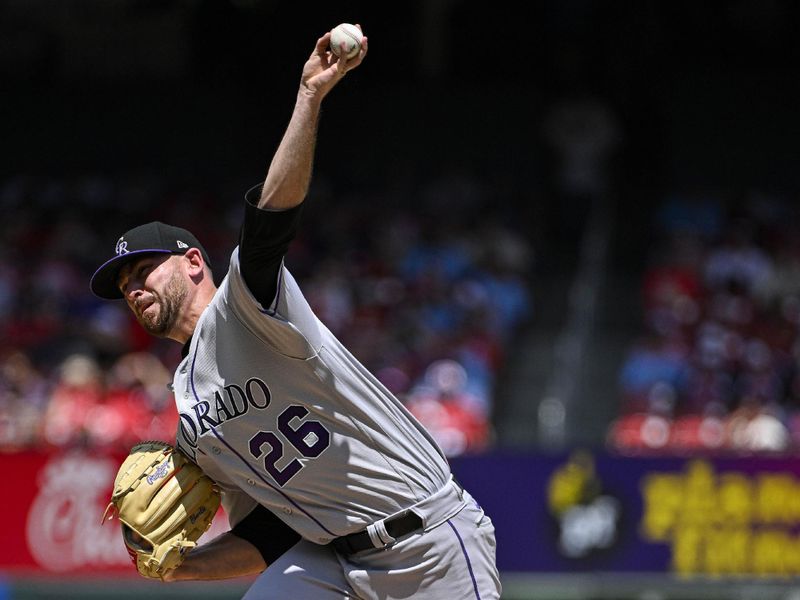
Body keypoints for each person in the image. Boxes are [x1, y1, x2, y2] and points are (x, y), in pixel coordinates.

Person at [89, 26, 500, 600]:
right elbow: (269, 532)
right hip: (325, 558)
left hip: (426, 541)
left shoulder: (243, 308)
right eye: (124, 285)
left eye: (143, 271)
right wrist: (180, 567)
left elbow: (268, 223)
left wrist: (309, 97)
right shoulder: (190, 413)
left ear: (191, 262)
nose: (133, 289)